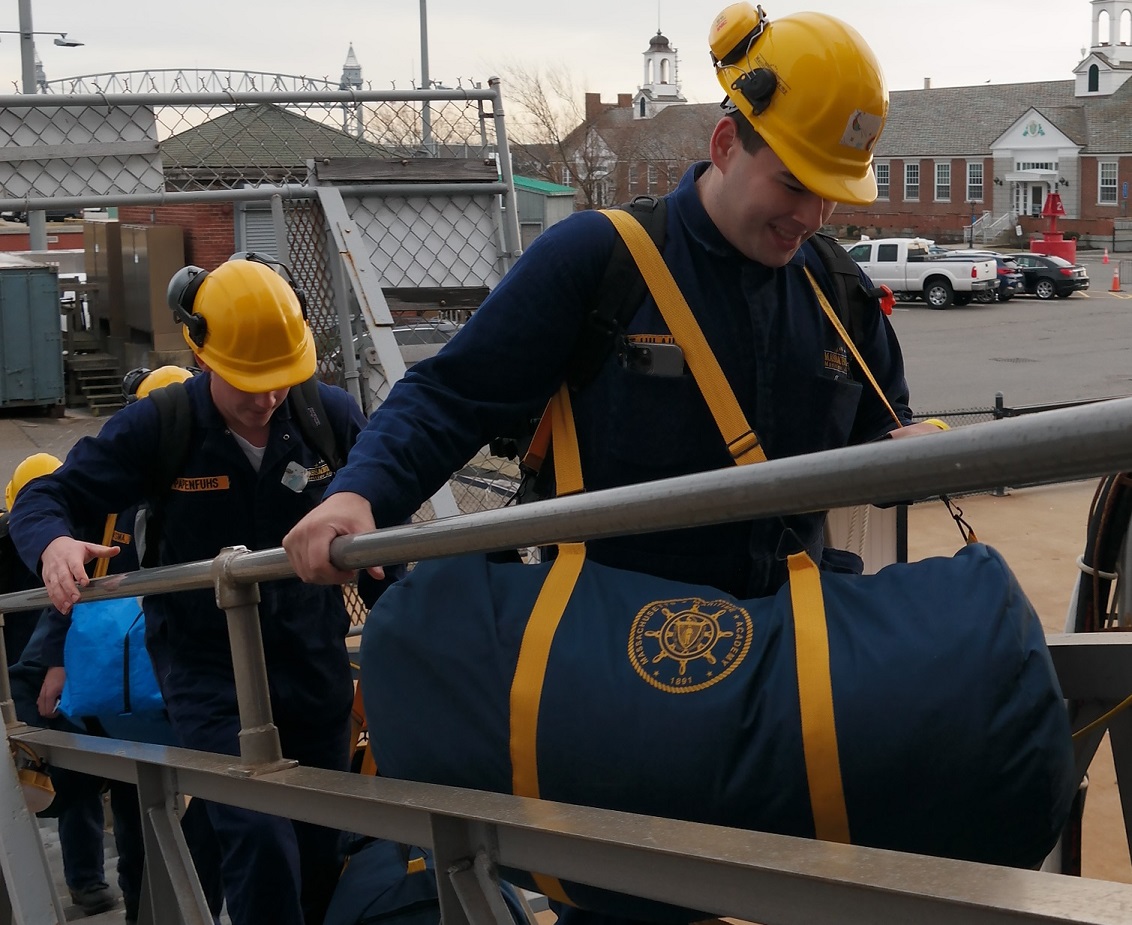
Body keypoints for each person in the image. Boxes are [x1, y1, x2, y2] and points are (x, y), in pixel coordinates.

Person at [283, 3, 942, 601]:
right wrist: (359, 492)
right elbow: (451, 396)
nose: (812, 215)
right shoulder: (600, 260)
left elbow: (879, 437)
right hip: (616, 669)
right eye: (795, 184)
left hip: (781, 662)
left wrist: (907, 452)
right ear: (724, 145)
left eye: (832, 193)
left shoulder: (835, 292)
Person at [10, 254, 377, 925]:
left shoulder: (327, 415)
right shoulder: (164, 425)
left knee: (322, 839)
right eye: (248, 384)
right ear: (204, 358)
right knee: (261, 831)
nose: (267, 399)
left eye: (280, 380)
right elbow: (47, 495)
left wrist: (397, 605)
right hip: (207, 670)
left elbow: (390, 504)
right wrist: (55, 543)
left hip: (311, 660)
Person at [4, 454, 143, 920]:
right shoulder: (103, 513)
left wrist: (53, 659)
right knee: (118, 787)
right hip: (89, 679)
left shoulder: (109, 512)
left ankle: (95, 886)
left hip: (86, 676)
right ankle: (103, 889)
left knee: (100, 784)